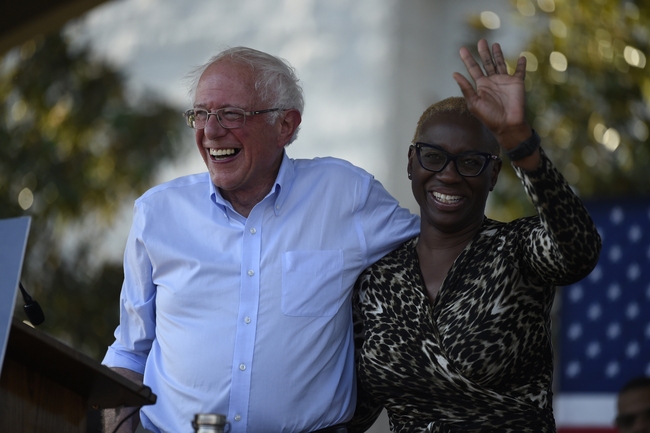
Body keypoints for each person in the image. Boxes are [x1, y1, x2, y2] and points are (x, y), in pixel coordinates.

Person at [101, 46, 419, 433]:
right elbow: (131, 352)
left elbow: (446, 247)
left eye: (231, 114)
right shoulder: (158, 213)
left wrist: (515, 144)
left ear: (285, 125)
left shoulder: (346, 195)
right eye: (201, 114)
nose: (211, 131)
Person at [349, 39, 602, 432]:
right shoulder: (378, 278)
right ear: (411, 164)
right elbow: (354, 412)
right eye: (433, 157)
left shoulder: (516, 251)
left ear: (493, 174)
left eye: (470, 162)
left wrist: (520, 141)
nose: (448, 174)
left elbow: (579, 250)